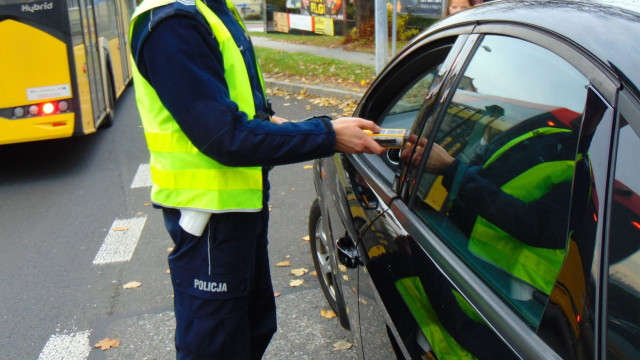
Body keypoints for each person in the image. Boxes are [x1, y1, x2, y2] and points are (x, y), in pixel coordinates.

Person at [128, 0, 386, 358]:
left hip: (240, 212)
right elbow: (225, 137)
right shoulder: (173, 23)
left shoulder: (214, 9)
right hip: (209, 223)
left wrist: (326, 129)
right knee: (217, 348)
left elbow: (252, 115)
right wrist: (327, 136)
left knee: (253, 329)